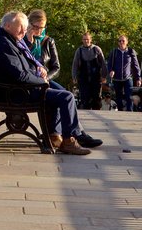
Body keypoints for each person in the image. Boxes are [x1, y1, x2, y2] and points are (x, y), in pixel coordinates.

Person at [0, 11, 90, 155]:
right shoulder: (4, 44)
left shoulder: (7, 40)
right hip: (16, 94)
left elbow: (22, 71)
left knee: (62, 93)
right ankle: (68, 141)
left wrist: (40, 77)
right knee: (67, 97)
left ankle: (56, 136)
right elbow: (20, 75)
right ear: (8, 25)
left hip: (18, 89)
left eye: (24, 27)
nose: (23, 31)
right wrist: (41, 81)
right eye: (20, 27)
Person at [23, 10, 101, 148]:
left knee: (65, 94)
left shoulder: (48, 41)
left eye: (43, 27)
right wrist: (29, 41)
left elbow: (56, 67)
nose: (40, 31)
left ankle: (69, 133)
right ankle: (73, 134)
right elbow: (23, 61)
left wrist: (46, 77)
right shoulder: (22, 41)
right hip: (31, 82)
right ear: (29, 25)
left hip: (45, 79)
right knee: (64, 96)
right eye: (36, 27)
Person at [72, 32, 107, 110]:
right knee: (85, 99)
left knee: (96, 99)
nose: (86, 41)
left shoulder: (96, 49)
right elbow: (75, 65)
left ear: (90, 40)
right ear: (82, 40)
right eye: (84, 39)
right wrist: (74, 76)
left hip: (96, 78)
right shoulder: (79, 51)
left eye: (87, 39)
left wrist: (104, 76)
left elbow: (103, 63)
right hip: (83, 78)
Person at [107, 34, 141, 111]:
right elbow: (109, 64)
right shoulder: (114, 52)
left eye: (123, 41)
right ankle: (120, 113)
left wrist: (138, 78)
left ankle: (130, 113)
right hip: (117, 79)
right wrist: (111, 71)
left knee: (129, 97)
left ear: (127, 42)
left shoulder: (131, 51)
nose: (121, 42)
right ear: (118, 43)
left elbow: (136, 65)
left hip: (127, 78)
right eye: (120, 41)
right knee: (118, 98)